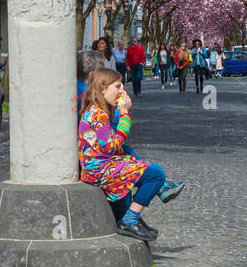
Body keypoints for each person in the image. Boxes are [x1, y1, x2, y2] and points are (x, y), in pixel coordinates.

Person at [78, 68, 183, 242]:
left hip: (97, 165)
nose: (121, 91)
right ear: (102, 88)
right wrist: (125, 115)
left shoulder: (96, 109)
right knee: (156, 173)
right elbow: (111, 146)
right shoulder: (98, 114)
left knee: (127, 152)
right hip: (98, 169)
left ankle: (159, 190)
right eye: (118, 86)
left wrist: (120, 111)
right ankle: (129, 220)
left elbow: (109, 143)